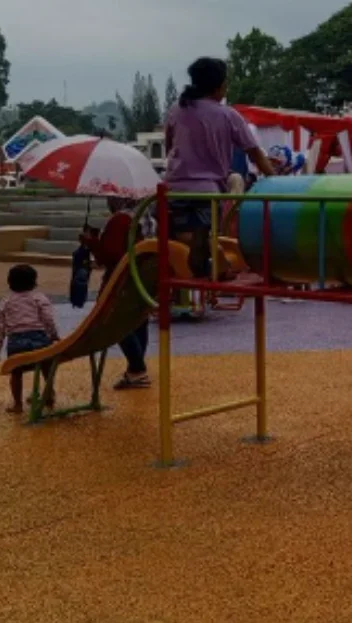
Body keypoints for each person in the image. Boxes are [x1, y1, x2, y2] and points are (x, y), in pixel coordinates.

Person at [165, 57, 278, 278]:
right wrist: (277, 180)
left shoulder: (177, 110)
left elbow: (169, 146)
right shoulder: (228, 115)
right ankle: (210, 267)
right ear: (219, 87)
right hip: (206, 192)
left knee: (174, 237)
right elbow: (255, 154)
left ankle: (183, 282)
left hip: (173, 189)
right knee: (202, 239)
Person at [80, 197, 151, 388]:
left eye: (110, 198)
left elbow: (110, 255)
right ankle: (135, 370)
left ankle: (137, 369)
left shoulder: (120, 219)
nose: (108, 201)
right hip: (143, 277)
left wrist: (91, 242)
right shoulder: (147, 217)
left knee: (113, 320)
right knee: (138, 322)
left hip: (122, 280)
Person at [0, 264, 60, 413]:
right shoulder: (39, 298)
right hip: (40, 340)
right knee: (46, 367)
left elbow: (0, 329)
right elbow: (48, 319)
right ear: (34, 282)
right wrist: (54, 335)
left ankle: (18, 404)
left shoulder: (5, 302)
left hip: (17, 343)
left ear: (10, 283)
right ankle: (49, 394)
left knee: (16, 373)